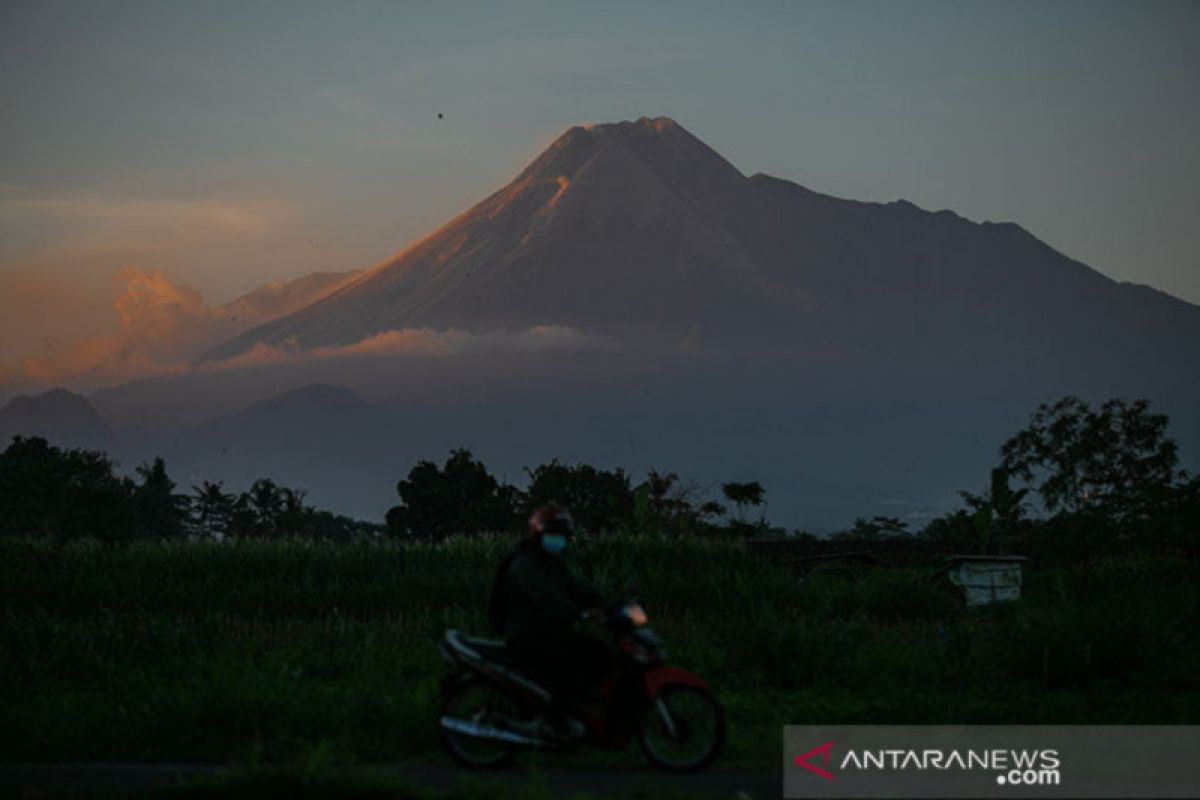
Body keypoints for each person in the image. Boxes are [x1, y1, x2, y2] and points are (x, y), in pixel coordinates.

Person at [492, 505, 609, 741]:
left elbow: (574, 589)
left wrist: (606, 605)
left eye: (562, 536)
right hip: (527, 636)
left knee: (600, 653)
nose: (559, 540)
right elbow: (546, 599)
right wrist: (578, 613)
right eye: (554, 535)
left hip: (549, 632)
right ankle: (553, 722)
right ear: (539, 535)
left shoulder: (552, 563)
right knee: (569, 665)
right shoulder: (525, 565)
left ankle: (580, 713)